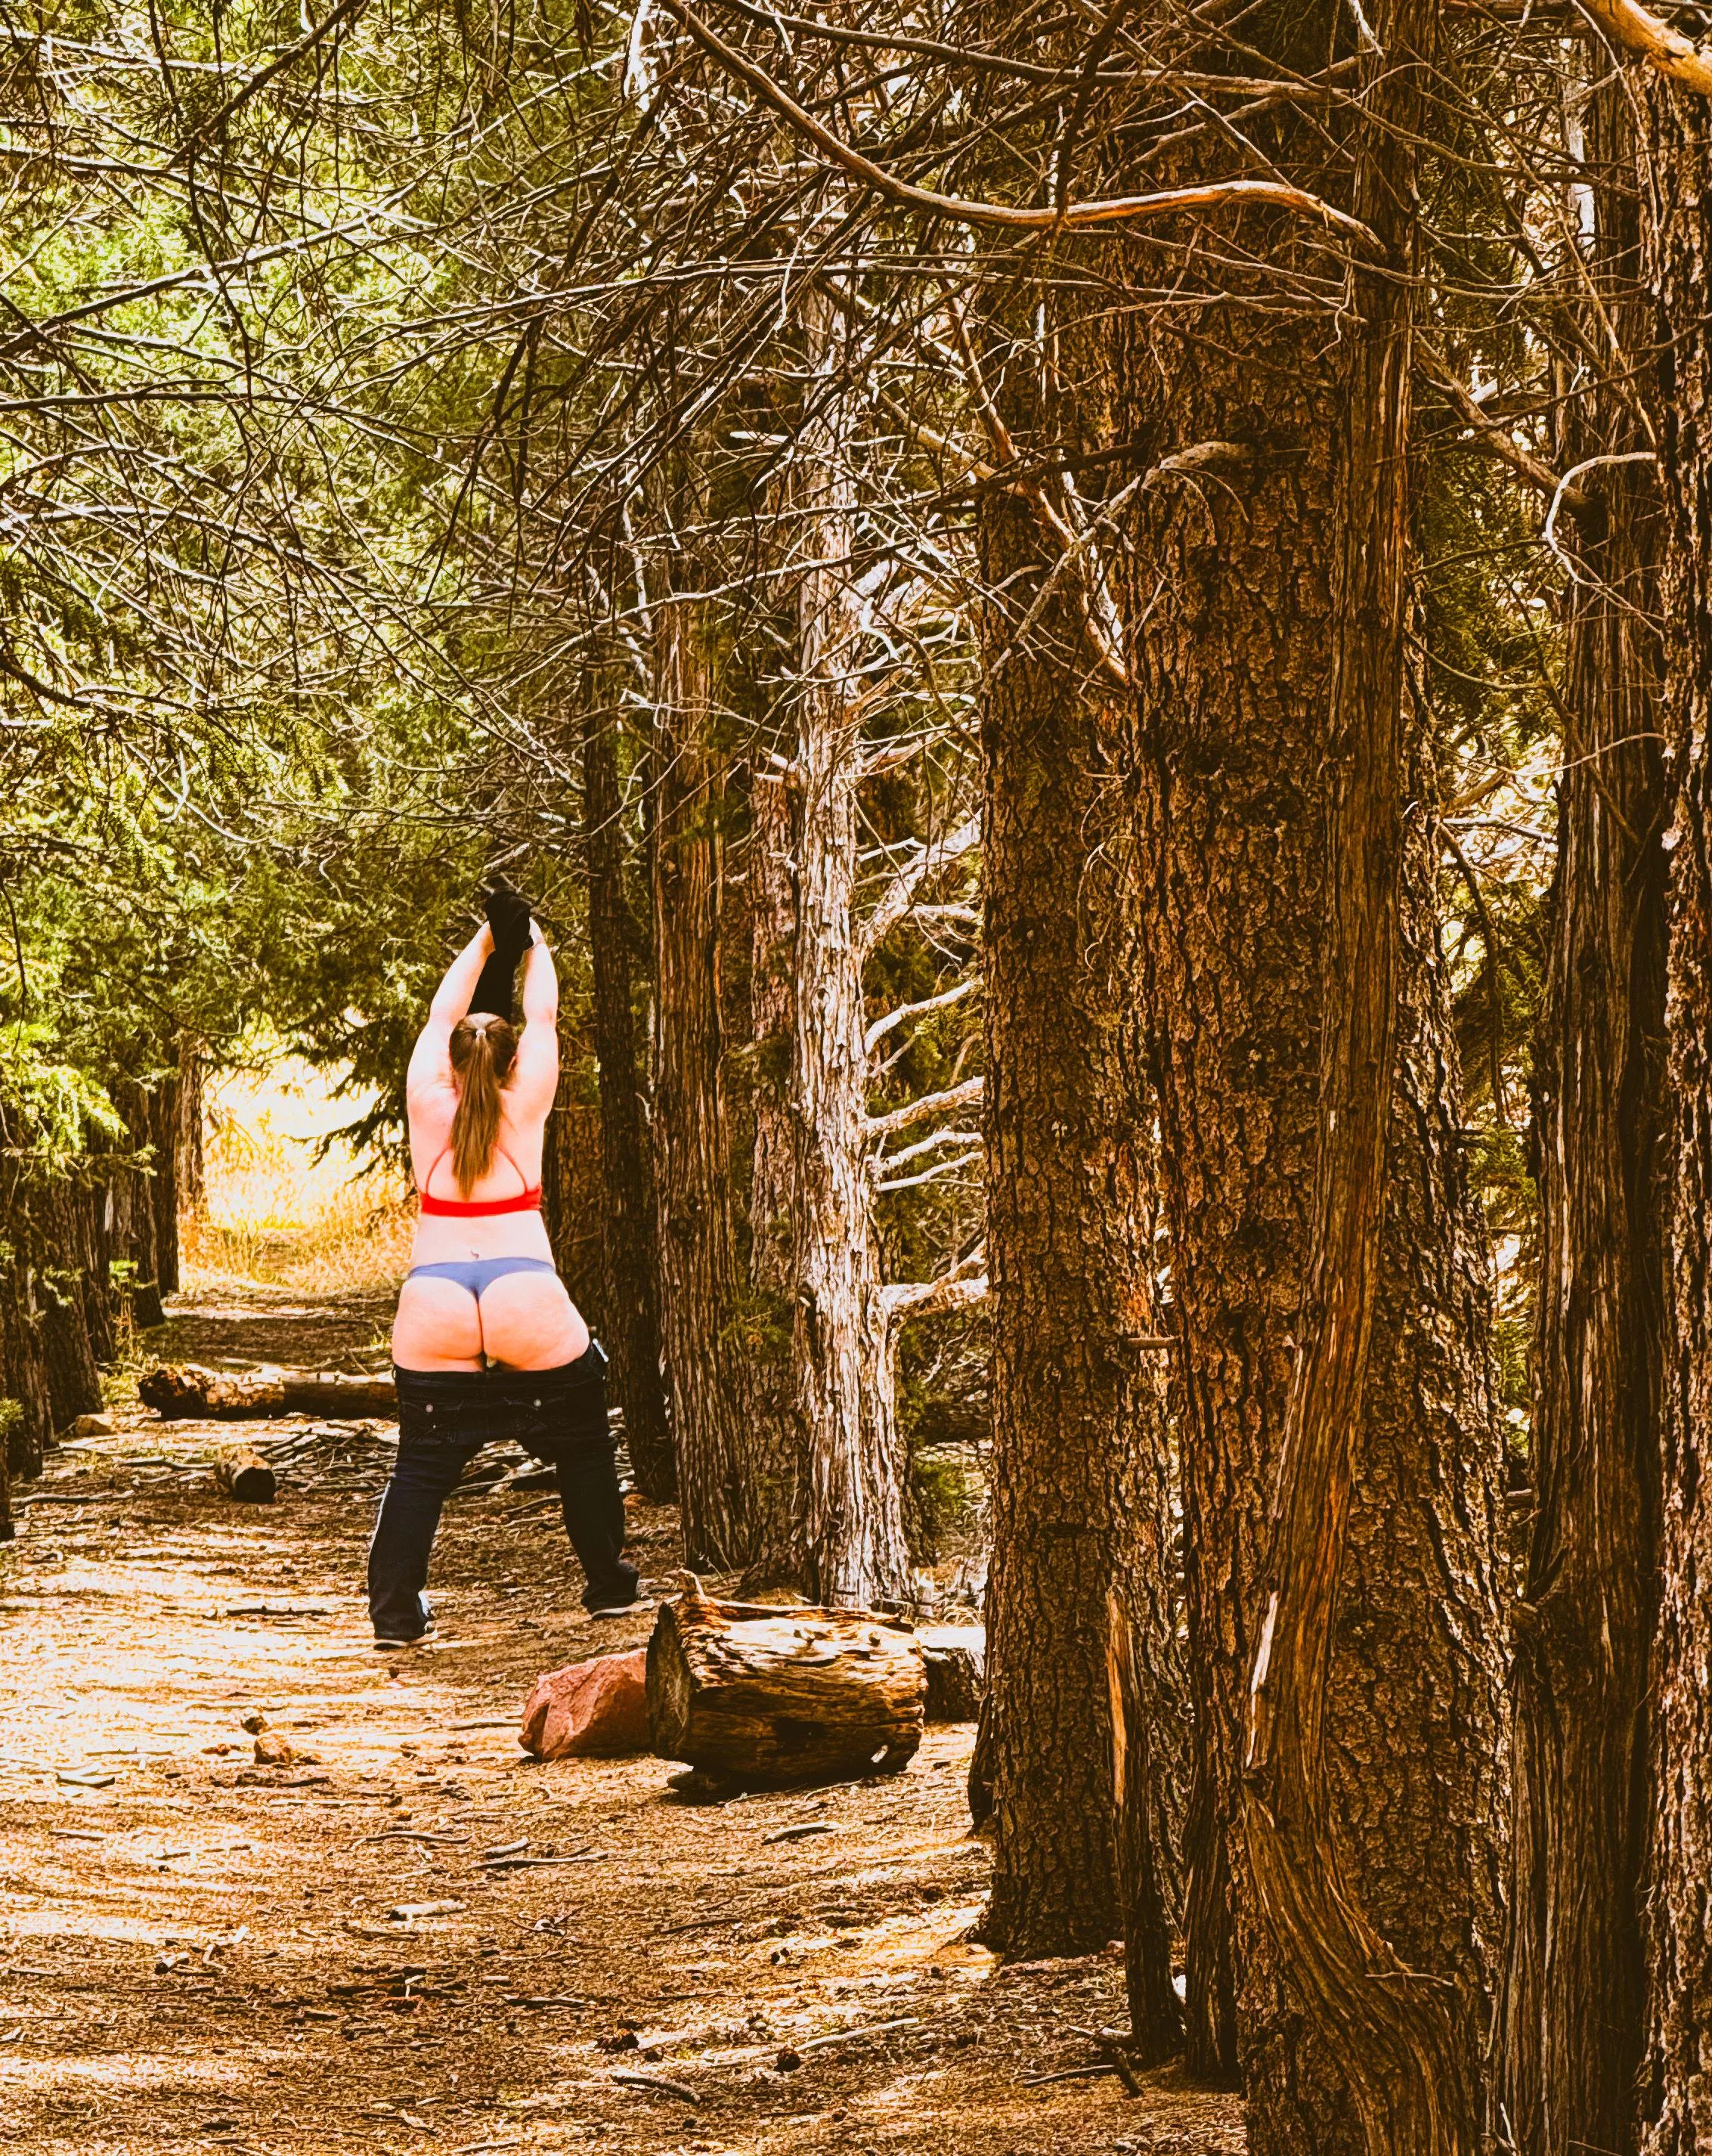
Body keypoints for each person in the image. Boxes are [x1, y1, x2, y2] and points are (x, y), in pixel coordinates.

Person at [367, 881, 645, 1648]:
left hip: (436, 1301)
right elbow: (545, 1014)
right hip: (526, 1292)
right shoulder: (527, 1102)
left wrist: (489, 939)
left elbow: (439, 1014)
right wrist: (537, 943)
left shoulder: (428, 1100)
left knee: (421, 1466)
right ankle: (610, 1585)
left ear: (455, 1064)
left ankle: (396, 1614)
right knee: (584, 1437)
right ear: (511, 1060)